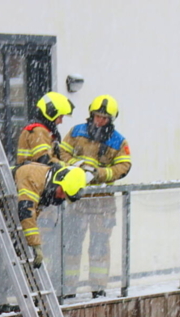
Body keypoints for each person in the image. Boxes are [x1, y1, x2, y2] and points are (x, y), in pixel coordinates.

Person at [60, 95, 131, 295]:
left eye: (104, 118)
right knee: (72, 246)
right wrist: (78, 167)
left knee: (99, 246)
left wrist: (99, 174)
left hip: (103, 202)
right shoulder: (76, 132)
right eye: (97, 116)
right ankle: (68, 287)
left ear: (111, 119)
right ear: (91, 115)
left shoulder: (118, 141)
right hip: (77, 199)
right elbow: (62, 153)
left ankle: (98, 288)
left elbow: (124, 166)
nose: (100, 120)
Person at [14, 162, 90, 268]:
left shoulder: (47, 185)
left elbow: (32, 214)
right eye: (62, 191)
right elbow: (26, 212)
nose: (61, 197)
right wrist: (35, 245)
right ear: (58, 180)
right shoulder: (34, 178)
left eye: (65, 196)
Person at [16, 92, 73, 167]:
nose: (61, 121)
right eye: (60, 117)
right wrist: (67, 166)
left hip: (36, 172)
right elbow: (44, 160)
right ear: (51, 113)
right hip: (33, 173)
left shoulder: (45, 131)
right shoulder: (38, 130)